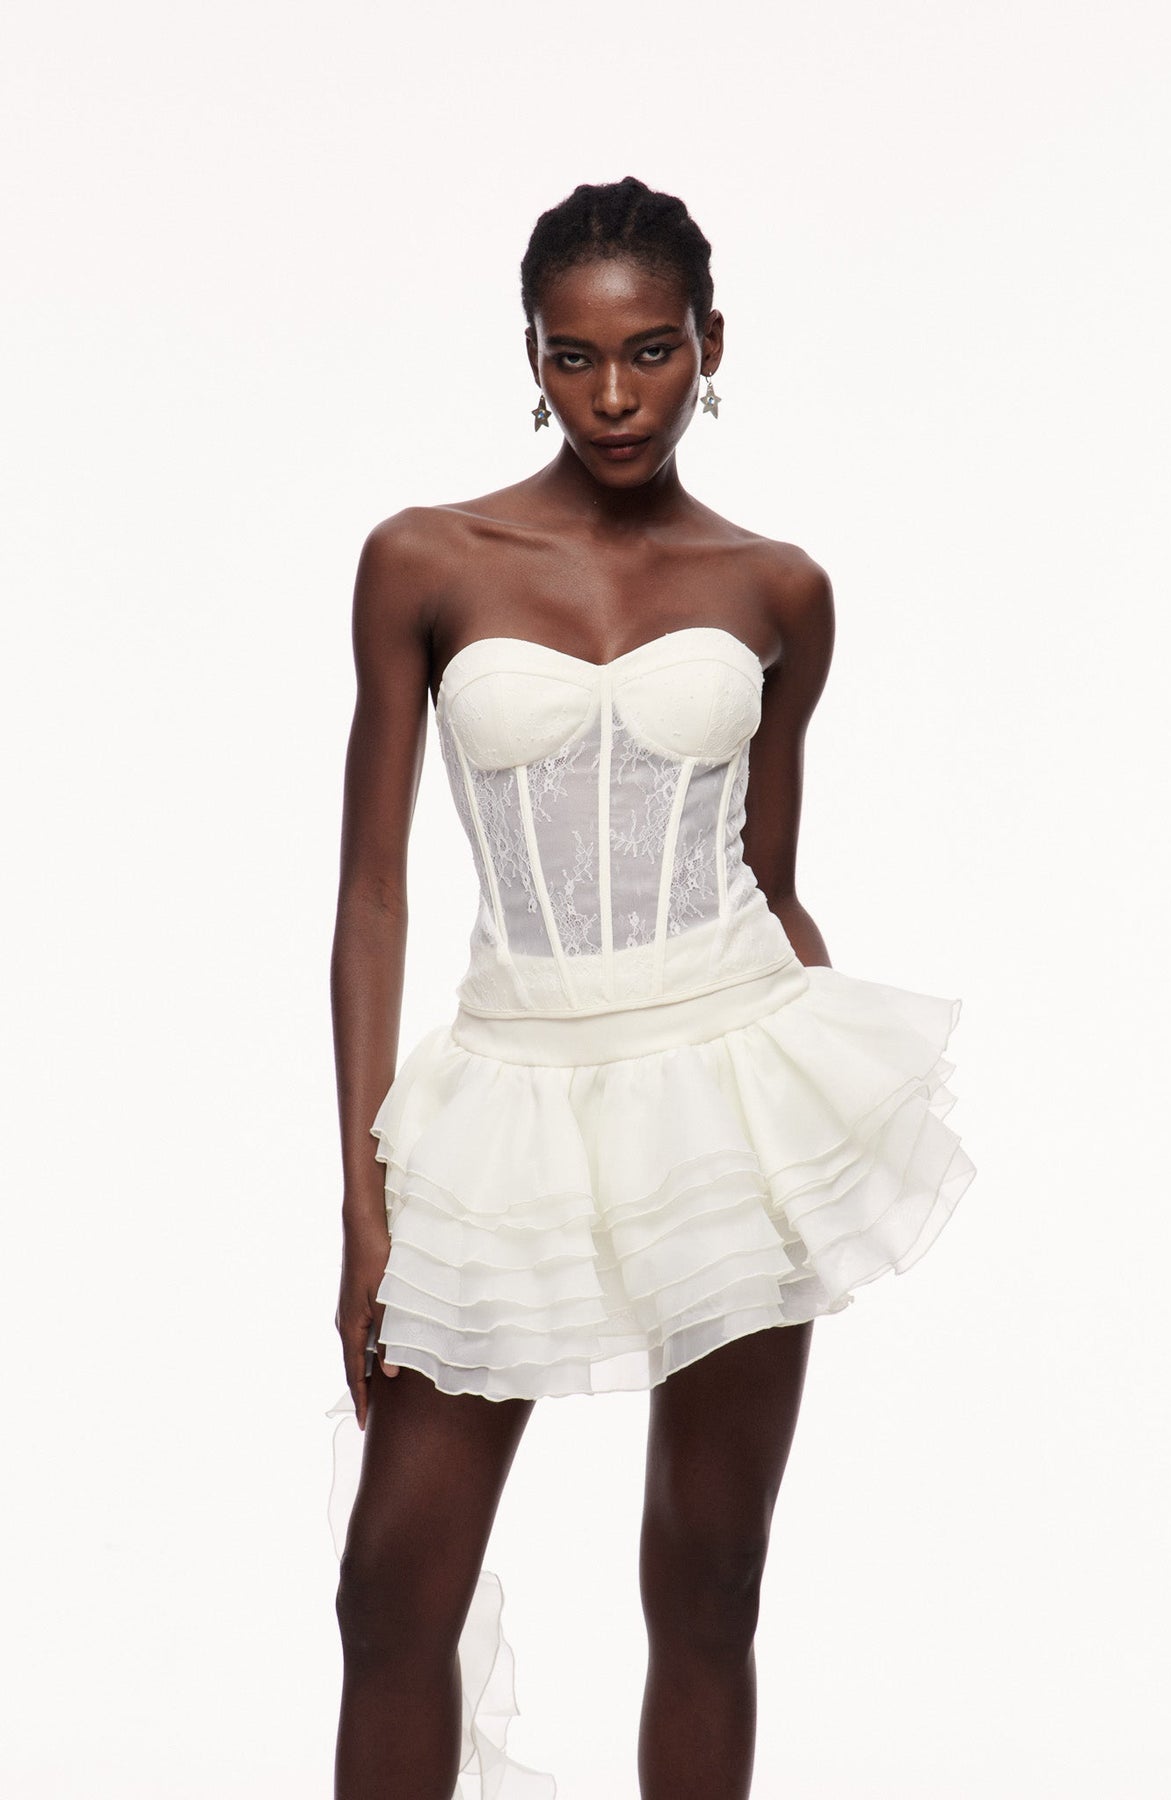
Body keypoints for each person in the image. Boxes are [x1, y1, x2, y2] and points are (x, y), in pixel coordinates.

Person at [324, 175, 976, 1800]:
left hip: (728, 1076)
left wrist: (820, 1143)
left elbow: (768, 873)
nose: (614, 396)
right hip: (506, 1093)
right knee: (389, 1596)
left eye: (651, 352)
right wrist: (363, 1203)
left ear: (710, 345)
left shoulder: (777, 589)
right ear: (532, 357)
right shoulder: (425, 560)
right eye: (574, 357)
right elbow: (372, 893)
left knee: (709, 1587)